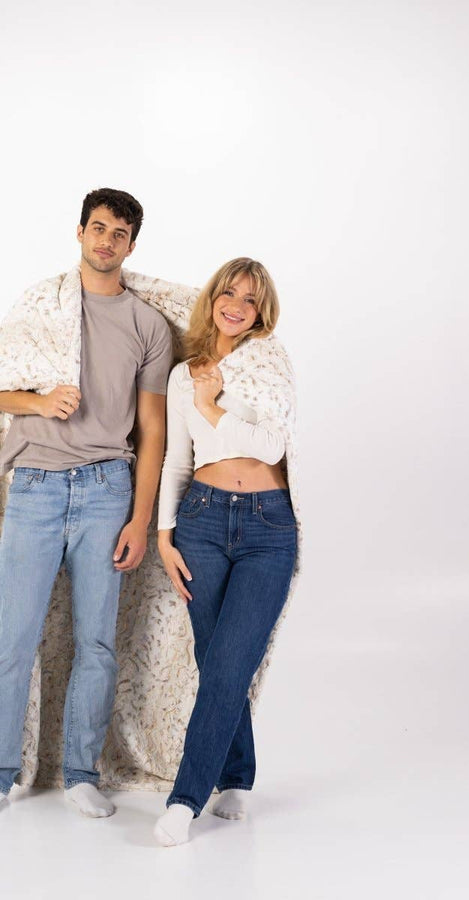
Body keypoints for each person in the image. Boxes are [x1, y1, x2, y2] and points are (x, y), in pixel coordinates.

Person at [0, 188, 175, 820]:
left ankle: (82, 771)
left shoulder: (148, 325)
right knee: (14, 639)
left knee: (98, 642)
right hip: (35, 487)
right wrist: (39, 400)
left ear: (132, 245)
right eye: (98, 228)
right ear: (79, 232)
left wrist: (140, 518)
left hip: (109, 488)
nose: (107, 241)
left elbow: (154, 430)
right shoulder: (41, 305)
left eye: (120, 233)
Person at [153, 257, 300, 846]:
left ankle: (185, 800)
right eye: (229, 292)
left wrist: (216, 405)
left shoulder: (271, 361)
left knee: (232, 659)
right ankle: (236, 773)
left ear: (262, 311)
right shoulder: (184, 372)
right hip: (202, 521)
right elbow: (177, 459)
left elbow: (269, 441)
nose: (237, 304)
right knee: (214, 656)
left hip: (269, 528)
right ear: (214, 296)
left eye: (251, 298)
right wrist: (165, 534)